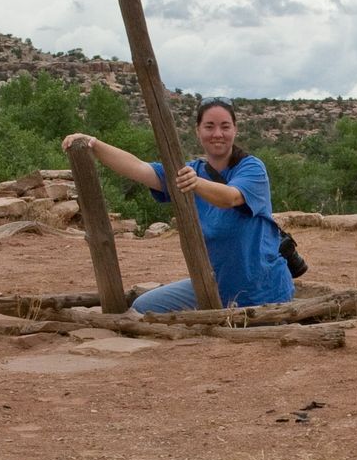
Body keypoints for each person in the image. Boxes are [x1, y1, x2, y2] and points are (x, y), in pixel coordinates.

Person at [62, 97, 295, 313]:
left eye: (225, 126)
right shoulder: (189, 171)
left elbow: (230, 197)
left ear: (235, 129)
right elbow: (139, 168)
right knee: (143, 307)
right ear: (198, 131)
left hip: (260, 288)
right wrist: (94, 144)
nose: (217, 133)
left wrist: (195, 183)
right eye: (209, 126)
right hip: (214, 284)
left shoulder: (251, 168)